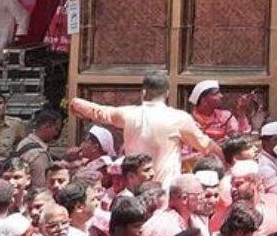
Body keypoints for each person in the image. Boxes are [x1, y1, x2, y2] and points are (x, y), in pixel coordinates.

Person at [67, 72, 216, 187]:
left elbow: (99, 112)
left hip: (135, 189)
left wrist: (75, 103)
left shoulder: (128, 114)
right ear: (167, 94)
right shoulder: (179, 119)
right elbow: (206, 146)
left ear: (143, 93)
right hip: (164, 190)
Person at [13, 109, 64, 190]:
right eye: (56, 129)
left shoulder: (25, 142)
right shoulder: (39, 154)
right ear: (47, 126)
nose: (56, 134)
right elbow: (39, 187)